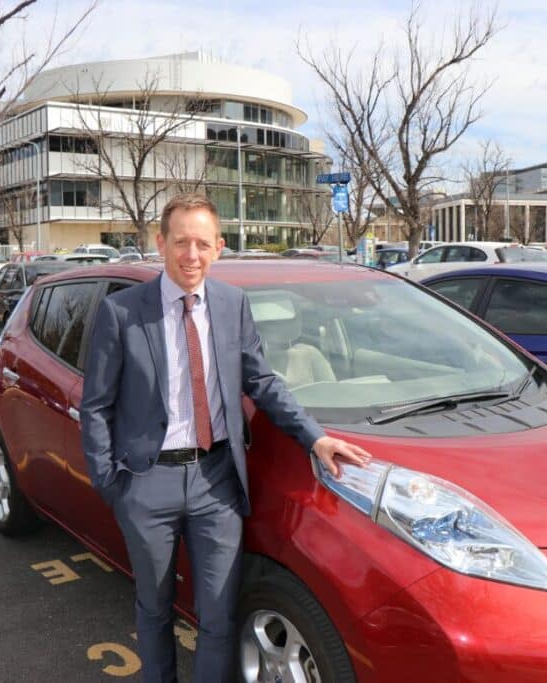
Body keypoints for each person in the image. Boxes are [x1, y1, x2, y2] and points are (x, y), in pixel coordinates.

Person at [80, 192, 372, 683]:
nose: (190, 255)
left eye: (201, 243)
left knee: (218, 617)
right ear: (160, 244)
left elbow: (262, 381)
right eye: (180, 242)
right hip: (147, 482)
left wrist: (315, 438)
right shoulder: (122, 312)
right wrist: (112, 484)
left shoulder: (232, 304)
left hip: (216, 482)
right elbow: (96, 406)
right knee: (154, 609)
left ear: (218, 247)